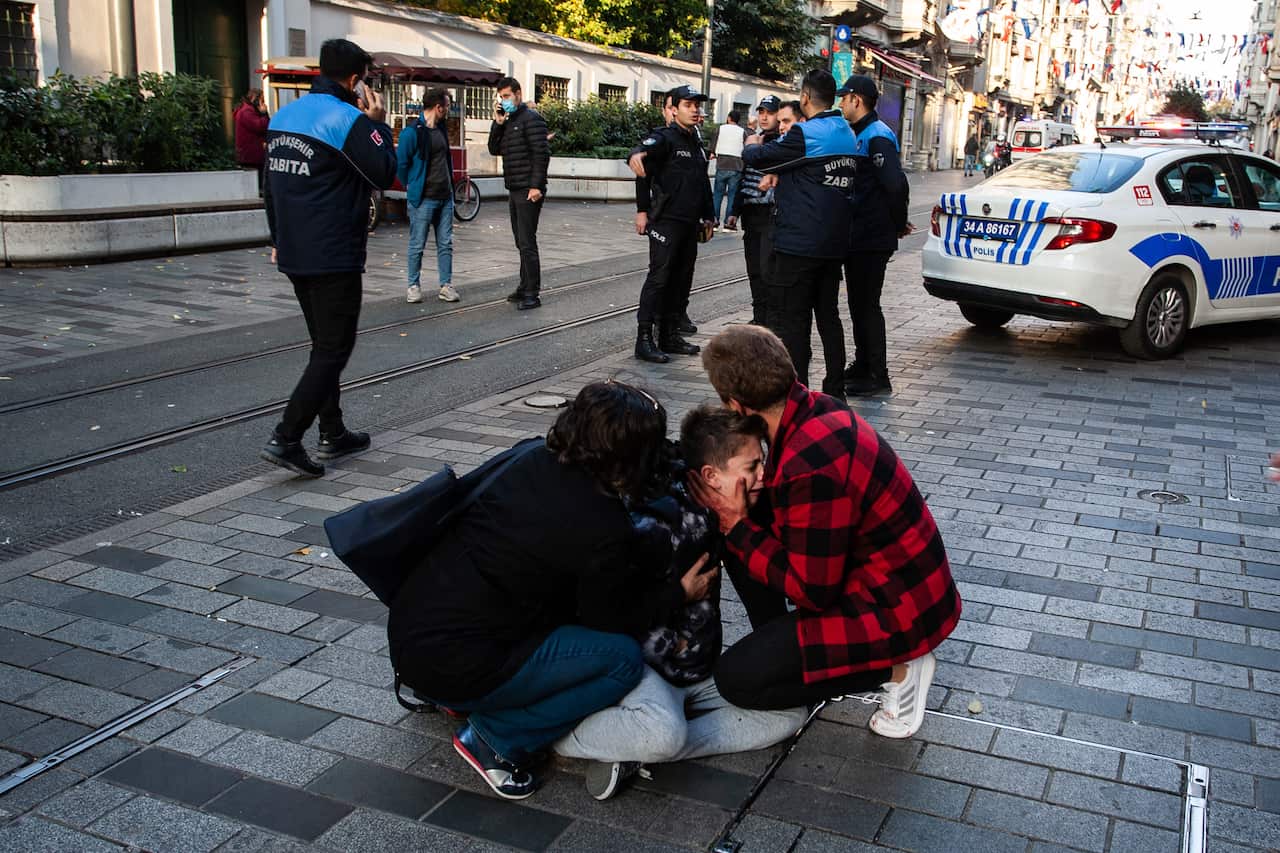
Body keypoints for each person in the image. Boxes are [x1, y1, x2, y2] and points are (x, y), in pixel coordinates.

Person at [389, 382, 670, 800]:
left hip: (411, 637)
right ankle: (497, 737)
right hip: (460, 662)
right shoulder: (600, 524)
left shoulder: (529, 456)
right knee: (620, 661)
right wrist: (675, 590)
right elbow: (607, 621)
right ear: (632, 457)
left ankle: (460, 698)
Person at [689, 325, 962, 739]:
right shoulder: (813, 410)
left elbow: (812, 591)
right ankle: (781, 652)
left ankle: (900, 670)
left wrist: (739, 527)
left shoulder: (809, 464)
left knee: (737, 679)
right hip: (890, 580)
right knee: (743, 517)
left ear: (737, 405)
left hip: (899, 610)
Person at [555, 405, 807, 800]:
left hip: (696, 672)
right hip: (645, 673)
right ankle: (563, 739)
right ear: (710, 475)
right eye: (752, 466)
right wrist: (672, 623)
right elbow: (605, 613)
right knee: (664, 732)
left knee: (788, 714)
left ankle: (633, 750)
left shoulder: (729, 513)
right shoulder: (654, 526)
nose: (764, 475)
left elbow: (768, 589)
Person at [259, 38, 396, 478]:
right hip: (333, 250)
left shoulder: (284, 115)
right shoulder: (348, 119)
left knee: (323, 345)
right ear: (356, 80)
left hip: (294, 249)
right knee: (335, 348)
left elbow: (270, 186)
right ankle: (287, 435)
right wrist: (379, 125)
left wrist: (277, 235)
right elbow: (383, 172)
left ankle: (332, 431)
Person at [740, 69, 854, 397]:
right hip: (833, 245)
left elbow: (761, 158)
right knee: (829, 316)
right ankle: (835, 387)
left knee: (796, 320)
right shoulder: (846, 131)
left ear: (805, 97)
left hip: (799, 244)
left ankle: (798, 389)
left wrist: (750, 143)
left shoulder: (806, 133)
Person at [628, 85, 715, 364]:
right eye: (688, 105)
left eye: (697, 105)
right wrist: (642, 211)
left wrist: (709, 216)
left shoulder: (695, 141)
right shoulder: (664, 137)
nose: (694, 110)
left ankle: (668, 334)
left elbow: (702, 182)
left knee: (681, 280)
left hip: (690, 223)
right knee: (659, 278)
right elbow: (642, 161)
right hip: (666, 221)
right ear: (674, 109)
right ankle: (644, 339)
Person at [837, 75, 910, 398]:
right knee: (859, 304)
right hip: (860, 234)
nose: (840, 104)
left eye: (844, 98)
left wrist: (897, 224)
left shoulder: (877, 136)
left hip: (871, 236)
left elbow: (895, 184)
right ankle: (864, 363)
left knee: (867, 305)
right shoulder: (862, 133)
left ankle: (878, 373)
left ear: (857, 99)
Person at [489, 77, 550, 310]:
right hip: (514, 187)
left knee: (527, 241)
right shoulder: (509, 120)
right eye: (501, 97)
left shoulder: (531, 119)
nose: (503, 101)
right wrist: (498, 123)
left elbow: (541, 154)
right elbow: (494, 149)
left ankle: (532, 293)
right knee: (520, 240)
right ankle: (525, 286)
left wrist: (536, 186)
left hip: (528, 189)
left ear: (518, 94)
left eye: (506, 96)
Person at [397, 89, 456, 304]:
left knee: (445, 243)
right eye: (447, 106)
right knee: (417, 244)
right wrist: (412, 186)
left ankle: (446, 285)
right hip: (423, 199)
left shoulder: (441, 129)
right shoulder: (412, 133)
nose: (448, 110)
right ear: (438, 107)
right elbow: (401, 165)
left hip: (444, 197)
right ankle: (413, 286)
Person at [728, 97, 782, 325]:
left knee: (767, 269)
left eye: (769, 112)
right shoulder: (753, 141)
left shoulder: (783, 142)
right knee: (754, 270)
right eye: (761, 112)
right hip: (752, 215)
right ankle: (759, 316)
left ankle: (771, 318)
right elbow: (744, 177)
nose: (764, 116)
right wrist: (734, 211)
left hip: (772, 215)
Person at [710, 110, 745, 231]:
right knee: (732, 195)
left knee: (718, 194)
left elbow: (713, 144)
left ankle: (714, 220)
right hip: (737, 165)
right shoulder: (742, 131)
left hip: (722, 164)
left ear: (729, 118)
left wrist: (713, 152)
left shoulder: (720, 128)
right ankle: (729, 223)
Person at [234, 89, 269, 192]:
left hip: (252, 152)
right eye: (261, 100)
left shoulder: (246, 111)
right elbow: (261, 126)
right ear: (255, 99)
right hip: (252, 153)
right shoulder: (247, 112)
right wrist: (264, 113)